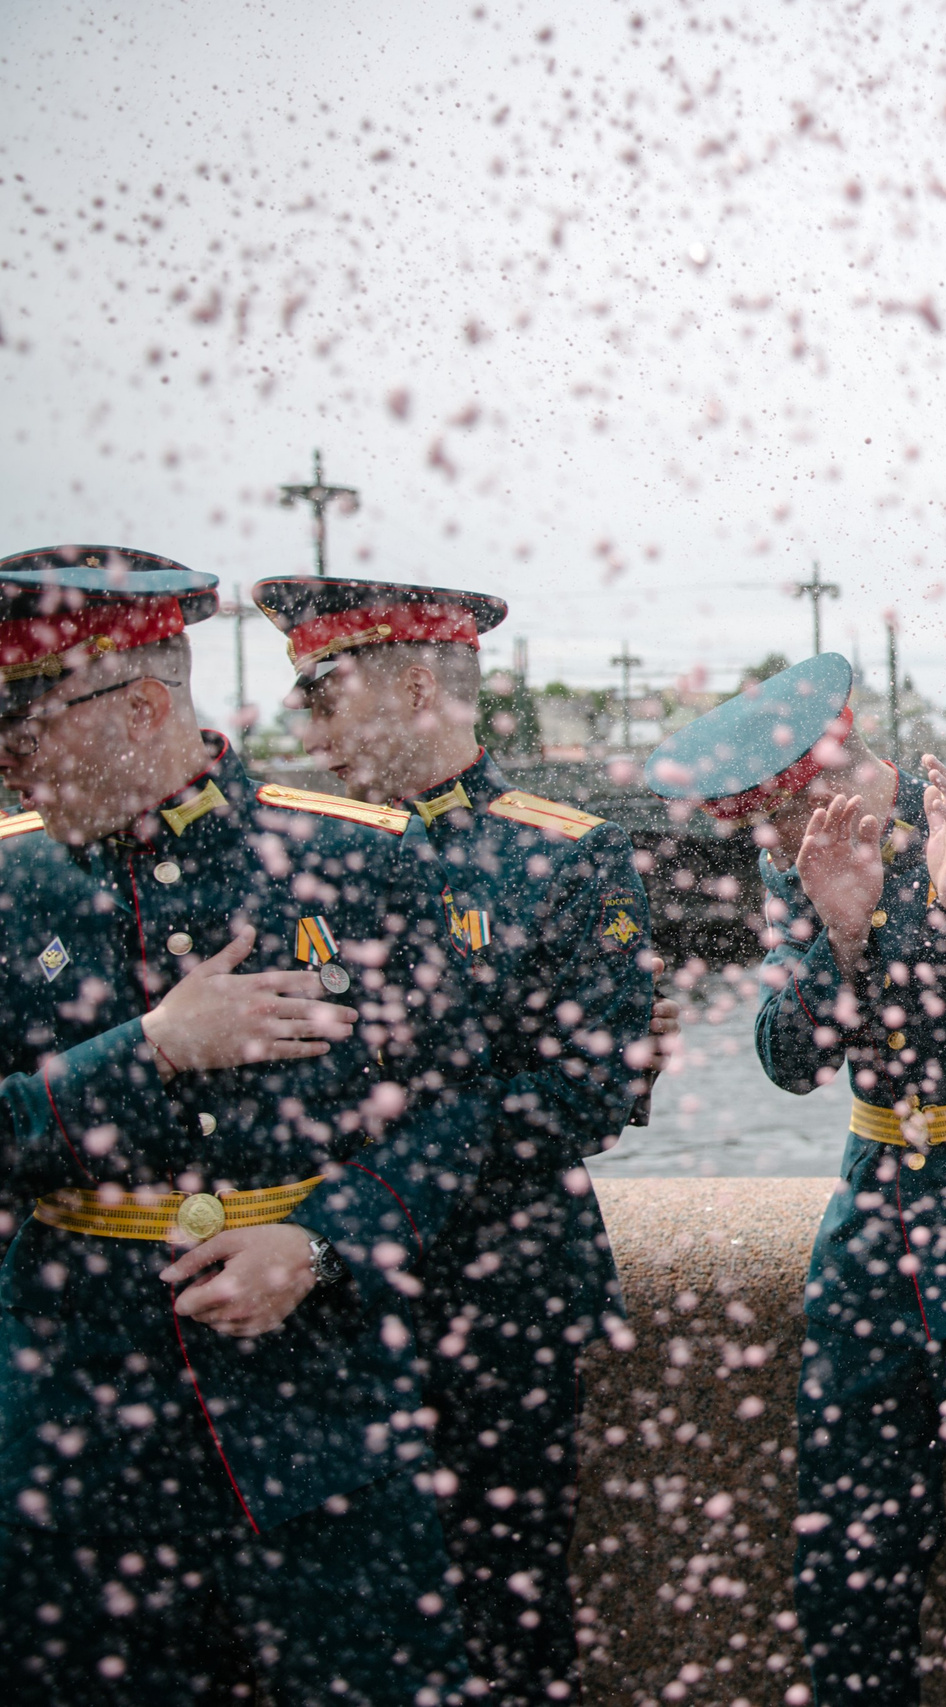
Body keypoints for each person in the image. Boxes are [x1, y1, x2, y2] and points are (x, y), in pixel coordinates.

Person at [0, 546, 481, 1705]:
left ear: (145, 704)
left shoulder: (355, 862)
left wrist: (321, 1239)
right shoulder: (11, 889)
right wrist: (150, 1050)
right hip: (75, 1419)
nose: (9, 759)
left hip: (320, 1410)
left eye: (29, 729)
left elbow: (468, 1116)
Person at [644, 652, 946, 1705]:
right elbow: (788, 1060)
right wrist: (842, 933)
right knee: (848, 1578)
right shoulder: (808, 867)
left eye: (774, 826)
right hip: (874, 1240)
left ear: (824, 782)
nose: (774, 852)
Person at [251, 574, 668, 1703]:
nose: (308, 730)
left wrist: (412, 1142)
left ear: (419, 686)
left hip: (500, 1294)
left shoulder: (564, 856)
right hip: (329, 1296)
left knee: (506, 1605)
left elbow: (593, 1087)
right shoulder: (291, 854)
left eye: (325, 698)